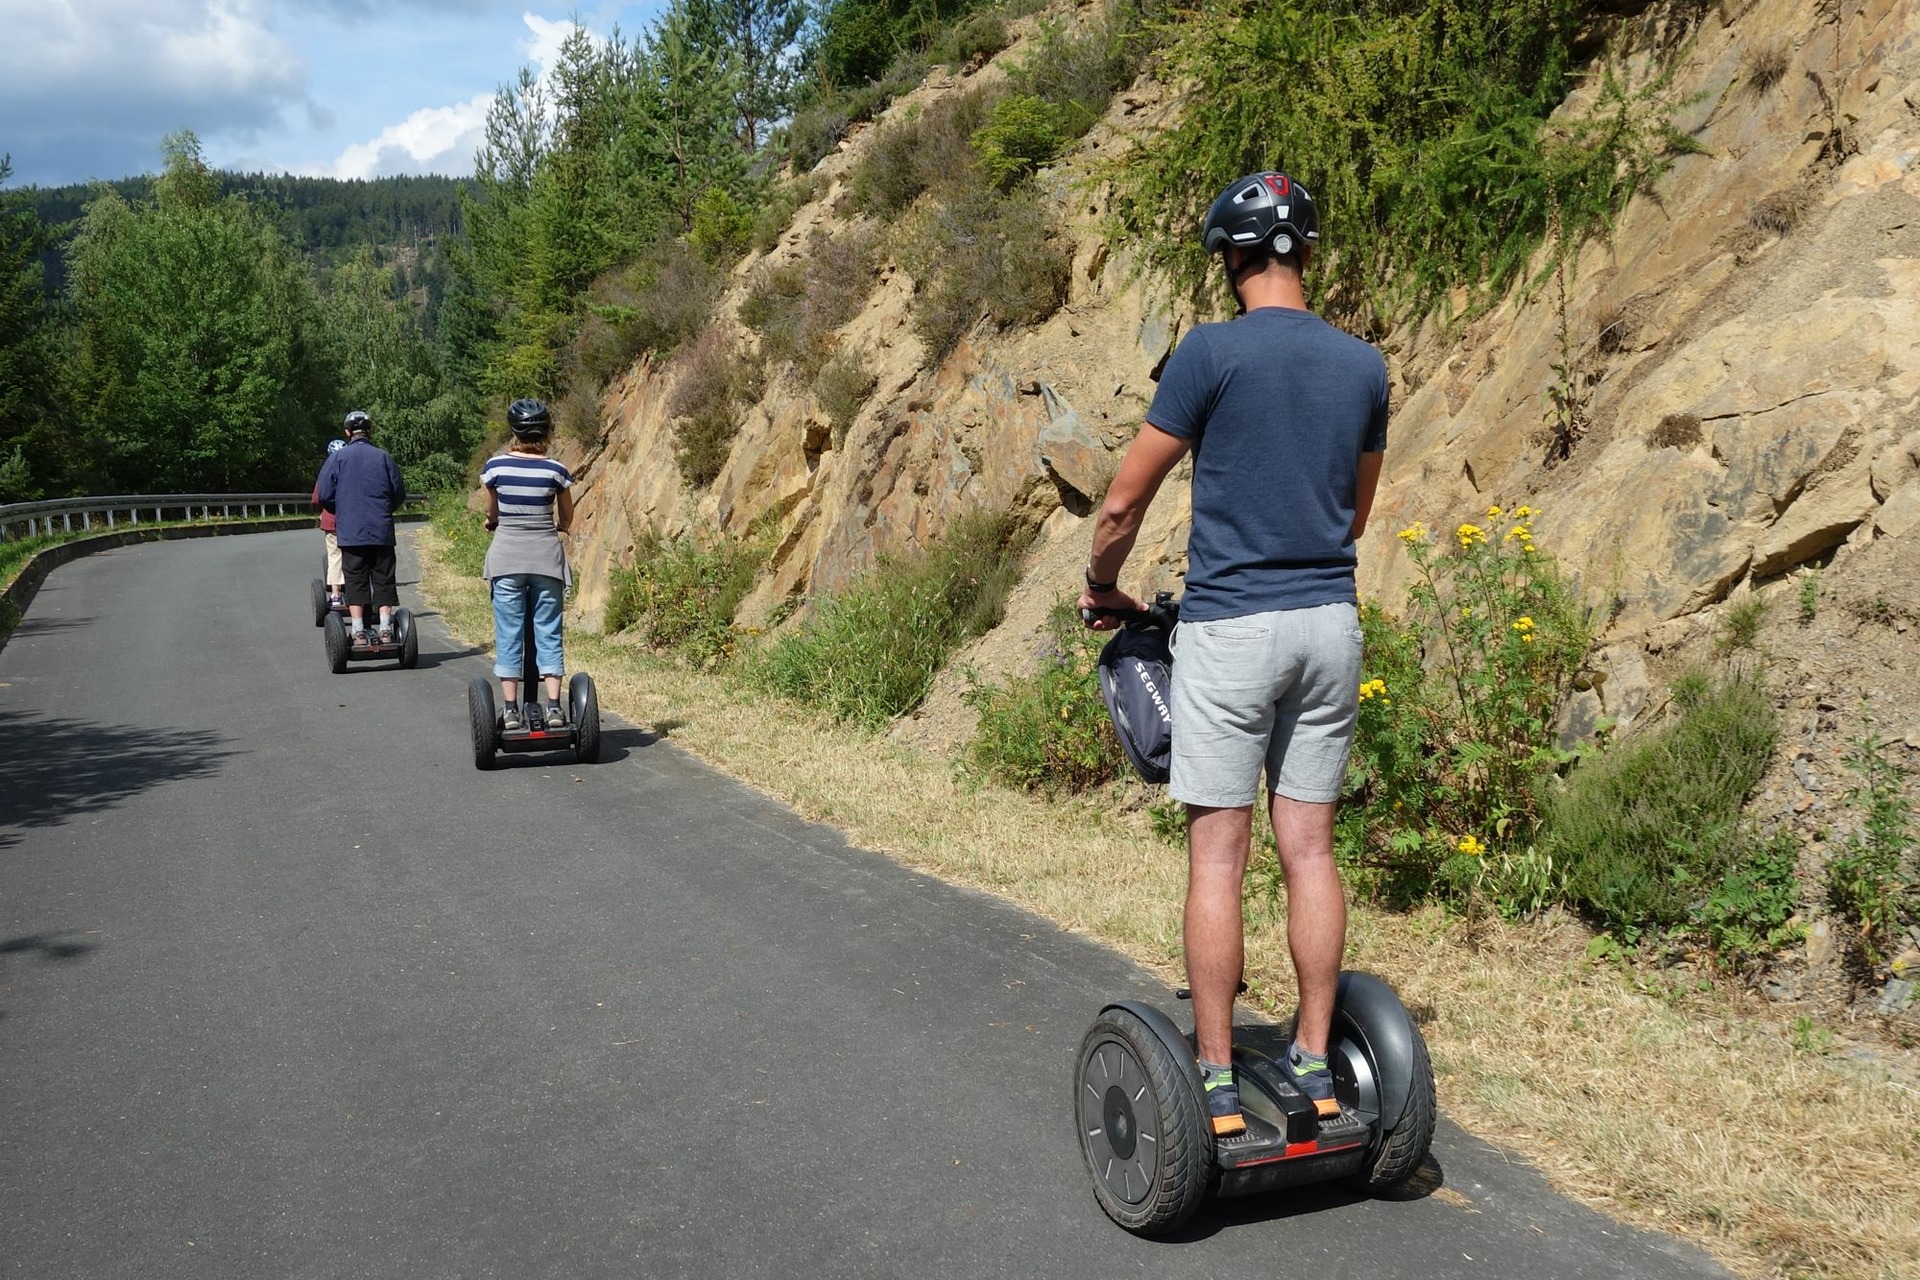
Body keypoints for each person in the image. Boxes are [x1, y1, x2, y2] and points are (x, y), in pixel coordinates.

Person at [1079, 171, 1387, 1140]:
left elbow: (1125, 500)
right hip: (1329, 622)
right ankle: (1309, 1052)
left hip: (1233, 626)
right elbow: (1355, 510)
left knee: (1218, 853)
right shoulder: (1364, 365)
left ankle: (1214, 1075)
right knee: (1310, 847)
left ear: (1232, 260)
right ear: (1303, 254)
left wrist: (1101, 579)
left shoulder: (1210, 354)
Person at [479, 398, 575, 732]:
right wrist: (558, 525)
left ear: (513, 431)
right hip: (546, 560)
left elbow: (492, 513)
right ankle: (553, 708)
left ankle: (510, 710)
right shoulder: (556, 470)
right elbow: (566, 518)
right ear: (547, 430)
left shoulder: (495, 467)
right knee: (548, 631)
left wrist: (492, 522)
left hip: (506, 560)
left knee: (509, 633)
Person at [314, 410, 407, 645]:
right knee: (384, 578)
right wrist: (383, 511)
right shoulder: (384, 457)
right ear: (370, 430)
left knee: (355, 579)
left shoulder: (337, 458)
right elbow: (398, 494)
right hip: (381, 529)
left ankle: (357, 632)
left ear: (347, 432)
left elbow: (324, 494)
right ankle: (385, 628)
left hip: (351, 531)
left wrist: (343, 509)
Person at [313, 436, 347, 610]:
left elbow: (317, 498)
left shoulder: (326, 472)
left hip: (331, 521)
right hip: (351, 521)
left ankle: (335, 595)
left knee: (335, 557)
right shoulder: (351, 472)